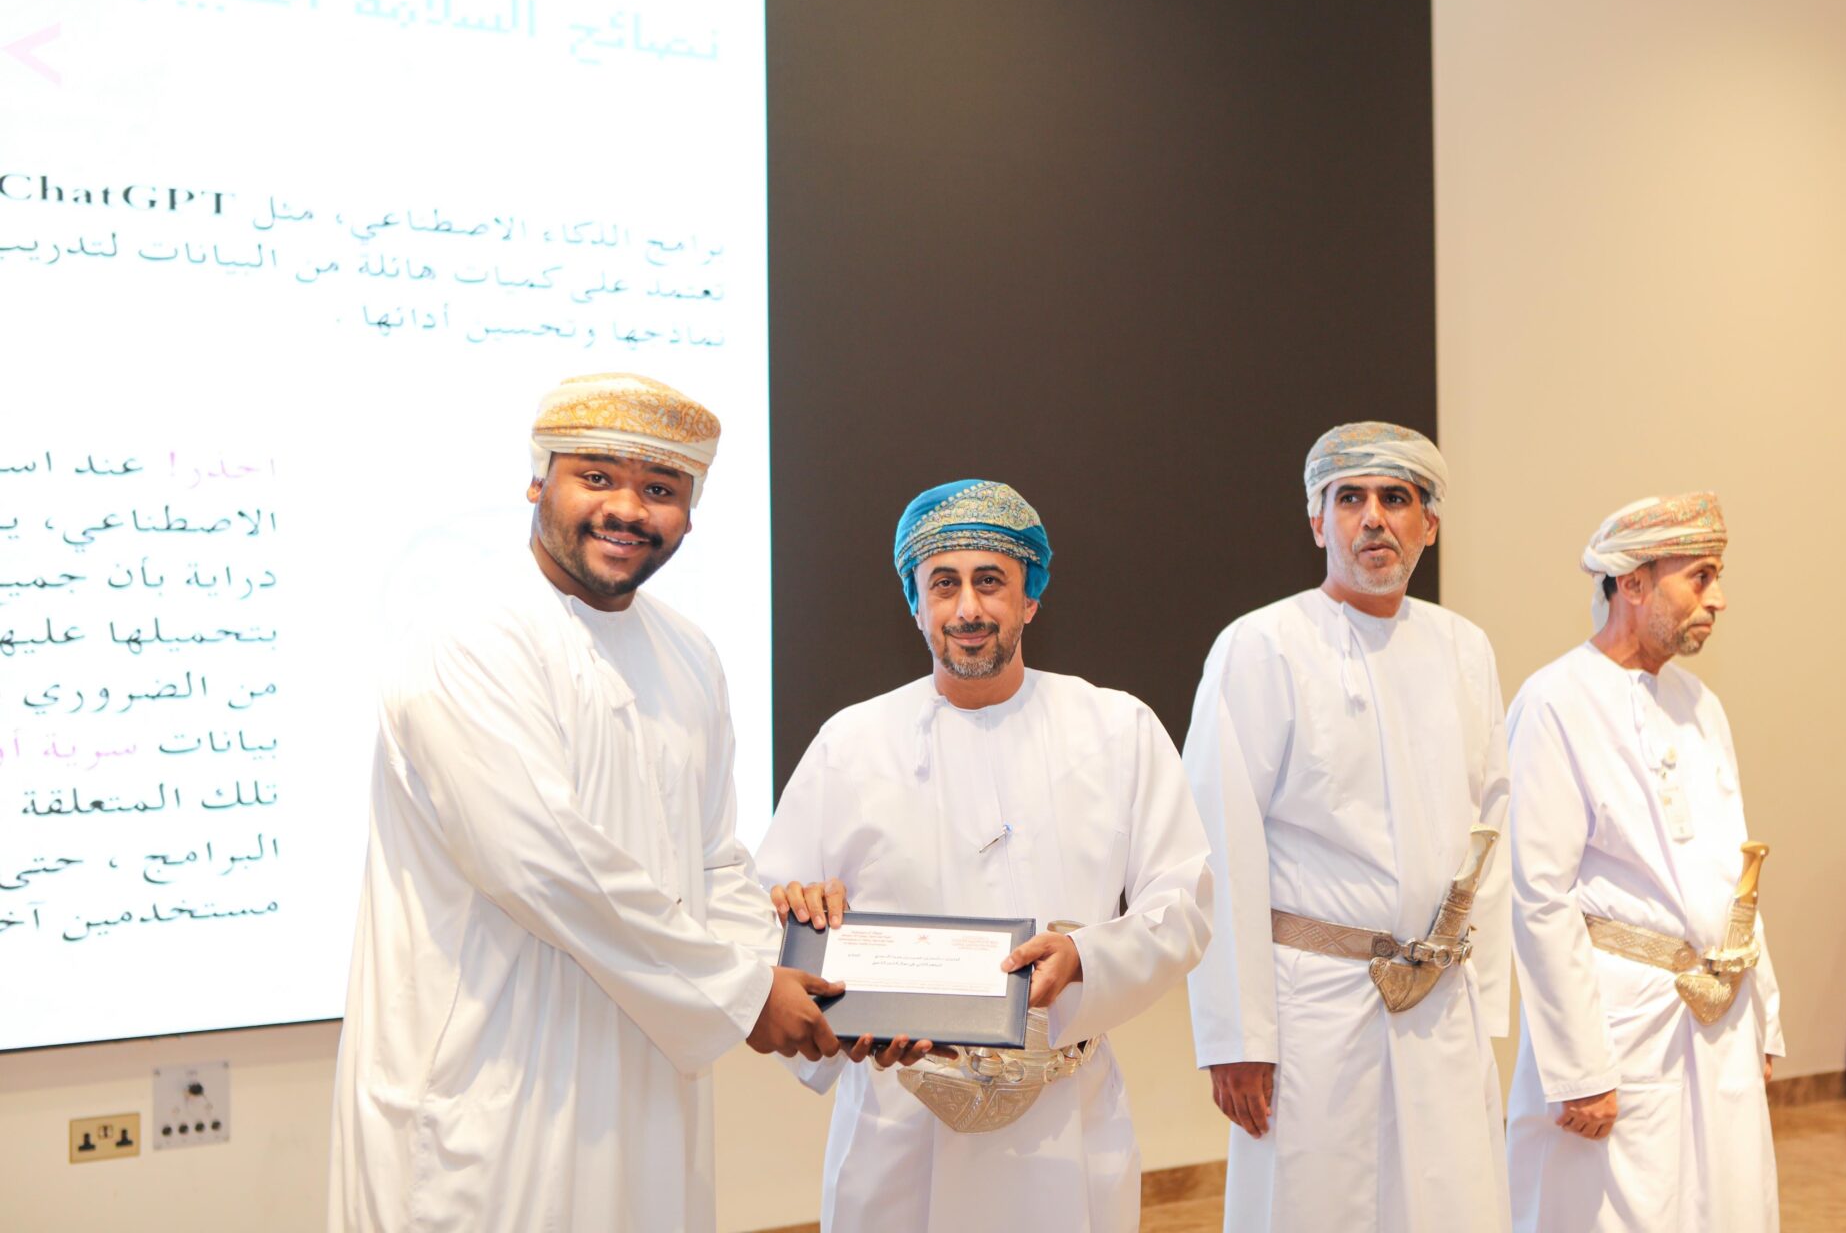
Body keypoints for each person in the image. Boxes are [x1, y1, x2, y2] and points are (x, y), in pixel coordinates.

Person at [328, 373, 842, 1233]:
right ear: (539, 481)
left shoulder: (688, 653)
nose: (627, 510)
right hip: (491, 1084)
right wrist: (746, 993)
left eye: (661, 489)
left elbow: (712, 860)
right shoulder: (470, 634)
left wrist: (809, 993)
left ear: (690, 513)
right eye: (597, 478)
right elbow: (539, 862)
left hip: (642, 1081)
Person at [755, 478, 1213, 1233]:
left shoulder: (1118, 729)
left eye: (990, 581)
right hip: (899, 1120)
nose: (968, 608)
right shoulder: (850, 744)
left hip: (1064, 1120)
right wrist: (801, 922)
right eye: (944, 584)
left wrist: (1085, 958)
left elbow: (1184, 901)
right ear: (916, 603)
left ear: (1030, 598)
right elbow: (770, 911)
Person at [1183, 421, 1512, 1231]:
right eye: (1350, 499)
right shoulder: (1260, 646)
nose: (1373, 519)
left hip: (1441, 1006)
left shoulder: (1464, 649)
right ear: (1316, 520)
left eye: (1395, 498)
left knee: (1449, 1207)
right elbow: (1216, 844)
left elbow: (1494, 826)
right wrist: (1236, 1036)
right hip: (1313, 1012)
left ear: (1429, 525)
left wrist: (1487, 1003)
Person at [1506, 491, 1784, 1232]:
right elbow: (1538, 895)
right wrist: (1577, 1066)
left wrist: (1762, 1017)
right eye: (1700, 577)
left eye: (1718, 577)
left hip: (1718, 1019)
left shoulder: (1702, 705)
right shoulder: (1554, 702)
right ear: (1632, 582)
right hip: (1617, 1026)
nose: (1718, 600)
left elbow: (1737, 875)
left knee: (1726, 1207)